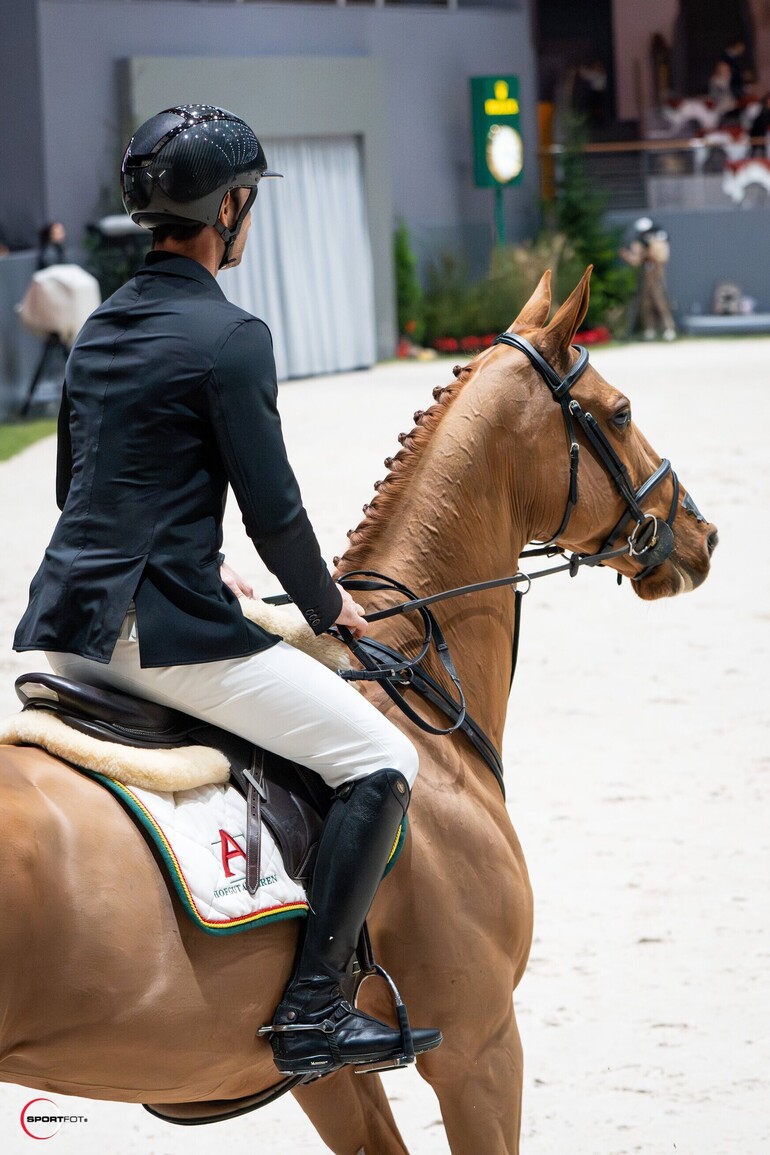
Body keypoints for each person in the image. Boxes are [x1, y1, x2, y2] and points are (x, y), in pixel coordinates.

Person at [13, 104, 442, 1078]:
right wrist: (329, 605)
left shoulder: (101, 328)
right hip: (158, 633)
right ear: (230, 209)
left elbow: (79, 489)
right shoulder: (230, 334)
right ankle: (313, 1011)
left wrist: (199, 562)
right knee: (378, 759)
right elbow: (276, 512)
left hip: (63, 621)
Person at [620, 217, 676, 341]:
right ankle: (649, 330)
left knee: (661, 302)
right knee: (646, 303)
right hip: (646, 276)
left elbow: (662, 258)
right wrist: (627, 256)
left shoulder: (659, 240)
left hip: (657, 275)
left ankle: (669, 328)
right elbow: (636, 261)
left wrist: (650, 248)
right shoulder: (639, 243)